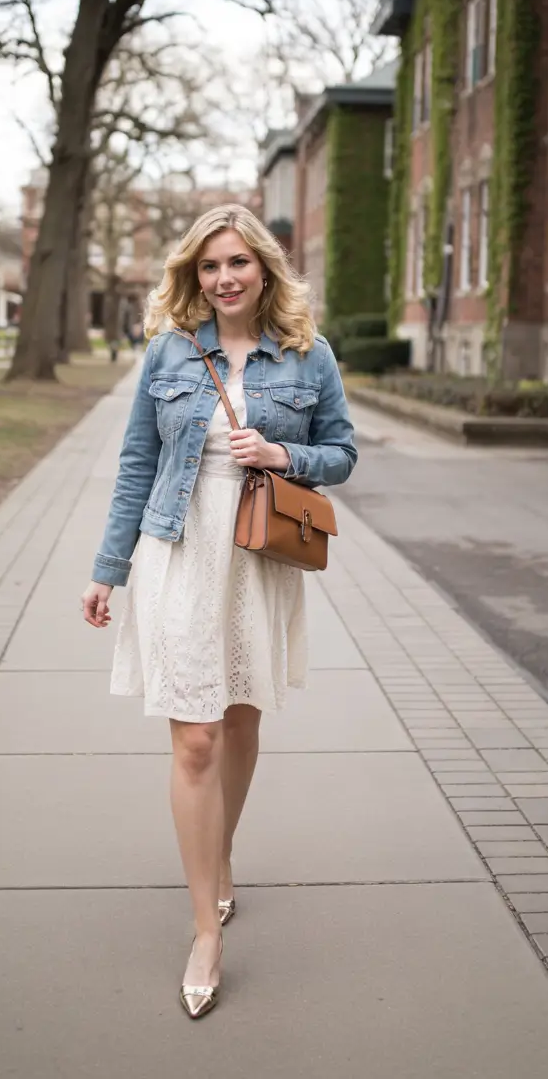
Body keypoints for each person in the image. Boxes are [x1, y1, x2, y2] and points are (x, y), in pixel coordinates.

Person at [80, 204, 357, 1020]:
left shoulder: (310, 357)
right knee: (193, 733)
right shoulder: (170, 350)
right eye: (209, 266)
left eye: (237, 262)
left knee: (238, 718)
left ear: (264, 268)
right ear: (193, 276)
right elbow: (136, 461)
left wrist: (281, 454)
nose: (224, 278)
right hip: (176, 549)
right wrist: (107, 569)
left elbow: (340, 453)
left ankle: (219, 859)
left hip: (256, 557)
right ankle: (207, 927)